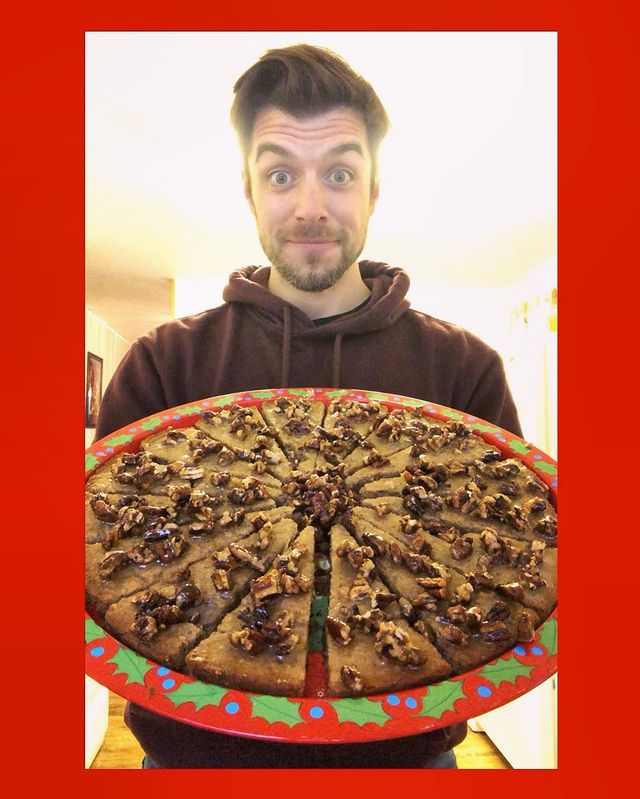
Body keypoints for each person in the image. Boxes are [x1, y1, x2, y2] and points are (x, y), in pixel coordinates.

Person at [94, 43, 523, 769]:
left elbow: (502, 590)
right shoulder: (163, 365)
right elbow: (106, 577)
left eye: (341, 173)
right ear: (249, 189)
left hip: (407, 765)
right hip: (194, 763)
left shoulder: (464, 370)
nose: (312, 205)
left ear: (375, 189)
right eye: (282, 173)